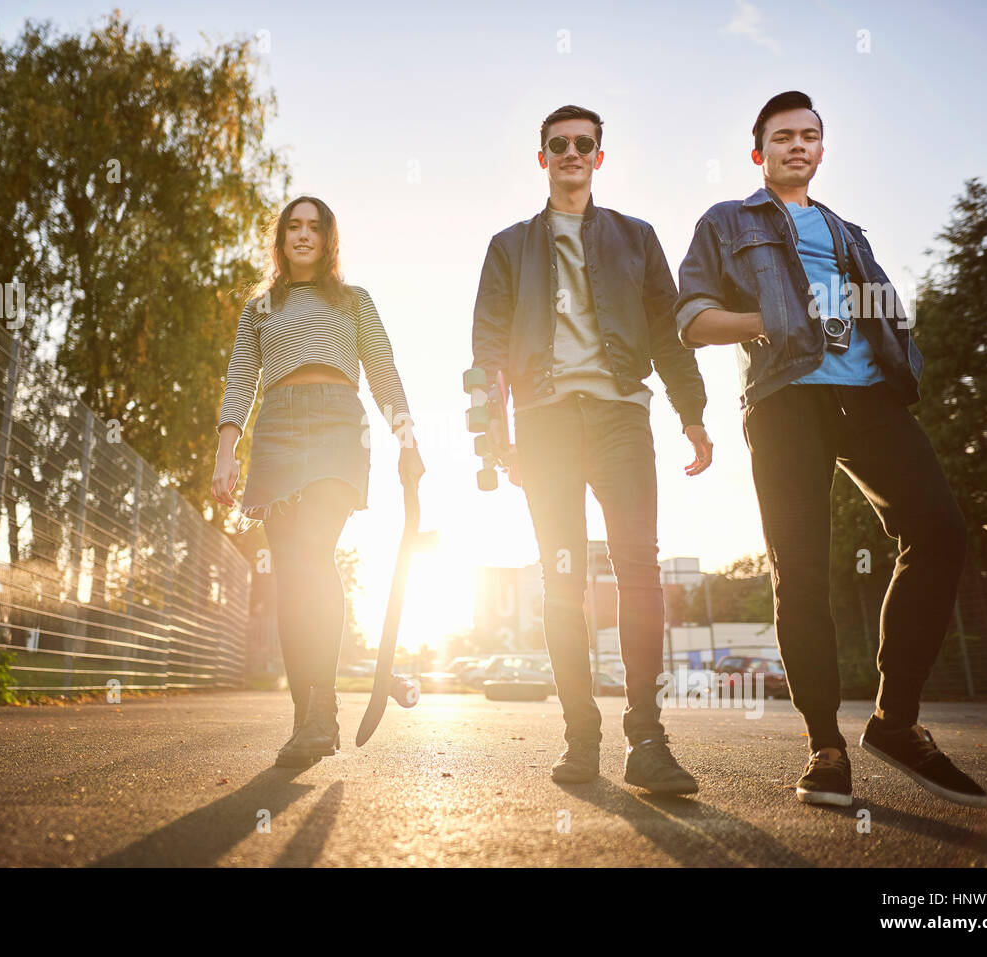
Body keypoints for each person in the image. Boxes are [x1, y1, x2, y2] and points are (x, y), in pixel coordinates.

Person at [675, 91, 987, 808]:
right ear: (760, 152)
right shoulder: (728, 222)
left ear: (821, 149)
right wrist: (774, 319)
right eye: (782, 136)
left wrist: (898, 348)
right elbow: (691, 318)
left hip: (870, 396)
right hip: (787, 399)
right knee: (802, 570)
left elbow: (878, 308)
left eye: (809, 135)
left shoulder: (849, 232)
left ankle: (895, 721)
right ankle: (825, 745)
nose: (797, 145)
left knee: (939, 531)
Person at [471, 105, 714, 791]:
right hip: (545, 427)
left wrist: (691, 412)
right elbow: (487, 348)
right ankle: (582, 738)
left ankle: (647, 741)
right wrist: (496, 437)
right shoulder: (508, 246)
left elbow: (669, 333)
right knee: (562, 582)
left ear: (599, 157)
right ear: (542, 157)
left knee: (640, 570)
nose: (572, 153)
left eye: (585, 144)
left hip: (620, 421)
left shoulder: (636, 239)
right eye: (559, 144)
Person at [212, 195, 424, 768]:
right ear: (280, 240)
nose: (303, 235)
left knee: (311, 553)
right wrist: (225, 450)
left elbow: (383, 372)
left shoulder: (355, 302)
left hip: (337, 424)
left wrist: (407, 439)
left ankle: (323, 708)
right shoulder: (259, 308)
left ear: (329, 239)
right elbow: (239, 380)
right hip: (277, 428)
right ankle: (306, 717)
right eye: (293, 227)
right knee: (289, 576)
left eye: (315, 227)